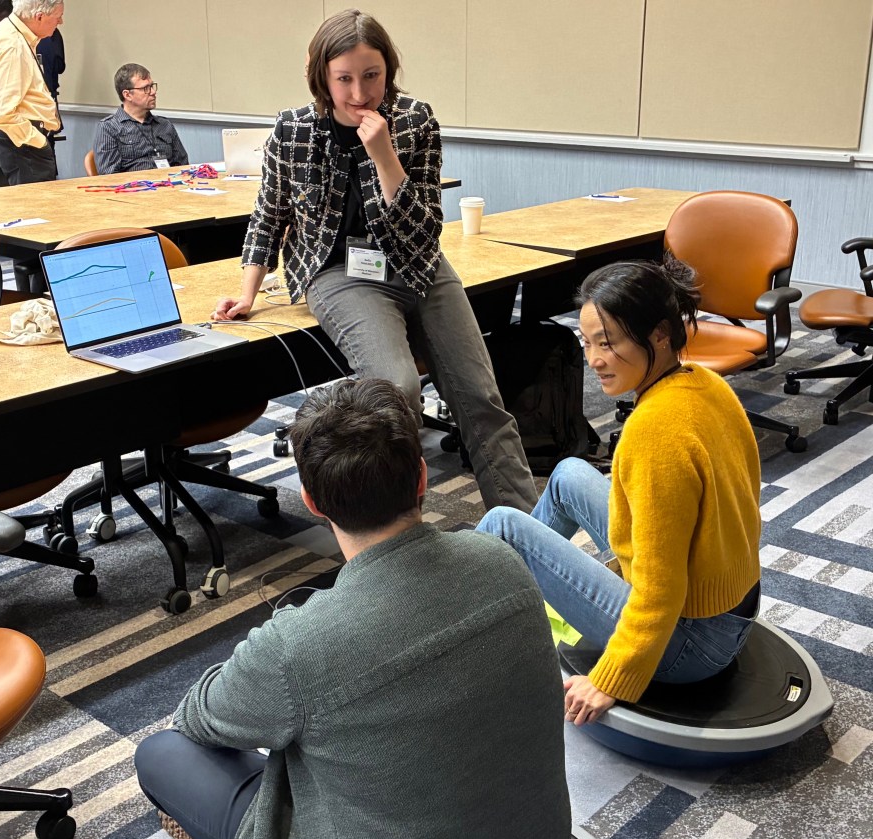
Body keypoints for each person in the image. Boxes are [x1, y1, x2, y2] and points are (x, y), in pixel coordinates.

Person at [134, 378, 571, 839]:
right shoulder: (502, 560)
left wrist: (276, 671)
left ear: (312, 502)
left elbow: (198, 716)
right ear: (422, 478)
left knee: (160, 753)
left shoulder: (298, 644)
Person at [213, 9, 537, 513]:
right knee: (398, 391)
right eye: (344, 78)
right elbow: (269, 213)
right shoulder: (293, 129)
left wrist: (385, 155)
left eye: (372, 75)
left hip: (418, 262)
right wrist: (248, 292)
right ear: (321, 76)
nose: (360, 92)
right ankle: (403, 535)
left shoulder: (414, 120)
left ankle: (530, 534)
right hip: (339, 274)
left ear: (389, 71)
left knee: (481, 398)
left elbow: (424, 229)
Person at [478, 258, 762, 724]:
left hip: (687, 645)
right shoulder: (707, 383)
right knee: (569, 473)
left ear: (660, 335)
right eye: (587, 341)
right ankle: (508, 599)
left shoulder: (654, 432)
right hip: (731, 609)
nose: (593, 359)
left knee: (503, 526)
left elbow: (660, 591)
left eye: (608, 343)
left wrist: (610, 678)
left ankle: (457, 627)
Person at [0, 0, 63, 185]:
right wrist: (36, 140)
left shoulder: (14, 35)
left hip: (25, 143)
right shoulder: (13, 44)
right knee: (37, 203)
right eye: (58, 17)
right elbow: (0, 111)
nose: (60, 22)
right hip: (25, 145)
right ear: (39, 17)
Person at [92, 64, 188, 175]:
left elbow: (183, 167)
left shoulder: (165, 125)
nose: (153, 92)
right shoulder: (109, 128)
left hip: (169, 183)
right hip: (135, 185)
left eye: (152, 86)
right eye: (146, 88)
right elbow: (110, 176)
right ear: (127, 95)